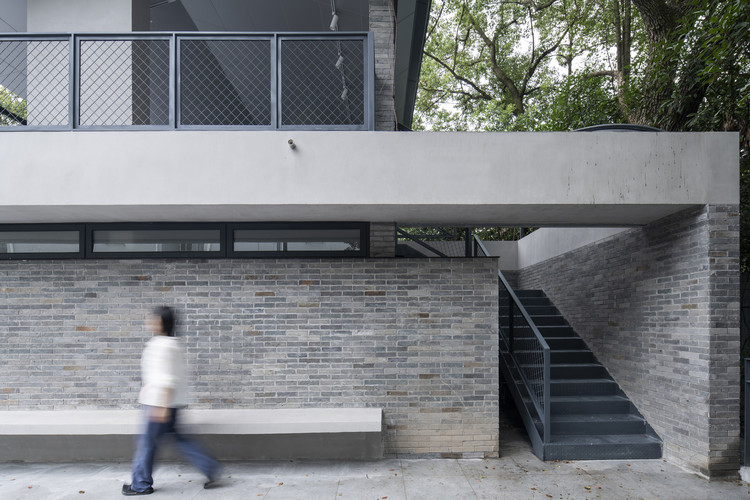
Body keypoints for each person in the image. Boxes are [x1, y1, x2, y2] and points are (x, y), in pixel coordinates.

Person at [122, 306, 220, 496]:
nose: (149, 321)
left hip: (159, 404)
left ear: (161, 323)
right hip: (169, 402)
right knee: (180, 439)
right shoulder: (171, 343)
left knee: (146, 443)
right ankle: (210, 468)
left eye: (153, 319)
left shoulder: (161, 346)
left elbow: (166, 379)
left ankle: (140, 484)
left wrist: (161, 406)